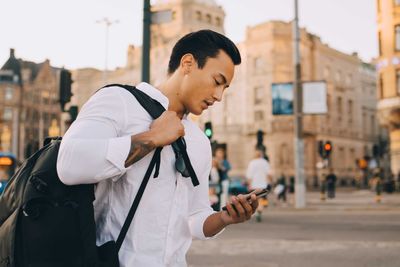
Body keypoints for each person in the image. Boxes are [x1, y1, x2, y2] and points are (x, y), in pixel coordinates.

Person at [57, 30, 259, 267]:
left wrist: (224, 218)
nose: (218, 96)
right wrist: (151, 138)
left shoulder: (199, 141)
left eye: (225, 88)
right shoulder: (119, 101)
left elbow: (193, 217)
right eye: (217, 82)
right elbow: (69, 164)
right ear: (188, 63)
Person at [246, 148, 271, 222]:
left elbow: (249, 175)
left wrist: (249, 184)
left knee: (254, 199)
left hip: (254, 184)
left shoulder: (252, 163)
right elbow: (269, 173)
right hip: (263, 184)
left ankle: (256, 212)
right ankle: (259, 211)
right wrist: (270, 181)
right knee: (261, 199)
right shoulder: (265, 162)